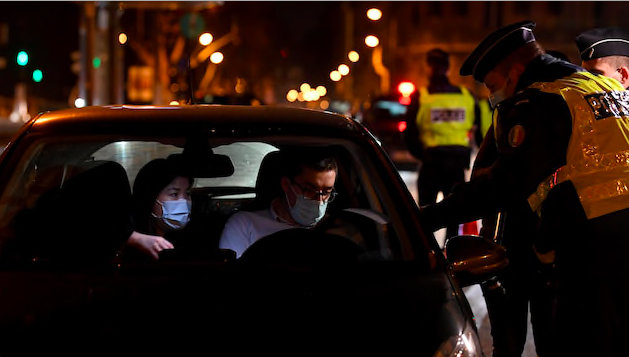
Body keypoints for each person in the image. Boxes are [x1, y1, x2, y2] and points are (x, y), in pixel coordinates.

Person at [420, 19, 629, 357]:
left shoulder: (542, 101)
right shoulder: (597, 86)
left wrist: (424, 218)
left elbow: (504, 184)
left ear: (515, 71)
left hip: (593, 250)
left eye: (493, 84)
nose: (493, 95)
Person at [403, 47, 479, 244]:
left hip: (431, 163)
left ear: (428, 68)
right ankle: (452, 255)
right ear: (448, 68)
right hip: (456, 164)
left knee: (424, 217)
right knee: (454, 215)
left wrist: (421, 154)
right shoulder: (466, 95)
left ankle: (427, 256)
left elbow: (409, 133)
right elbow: (479, 127)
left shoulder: (422, 97)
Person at [219, 148, 351, 258]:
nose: (319, 200)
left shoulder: (340, 233)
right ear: (286, 185)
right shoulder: (245, 225)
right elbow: (233, 281)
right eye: (310, 190)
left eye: (327, 192)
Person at [124, 156, 223, 261]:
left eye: (188, 193)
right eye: (174, 194)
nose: (184, 201)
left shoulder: (195, 240)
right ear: (150, 197)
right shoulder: (129, 241)